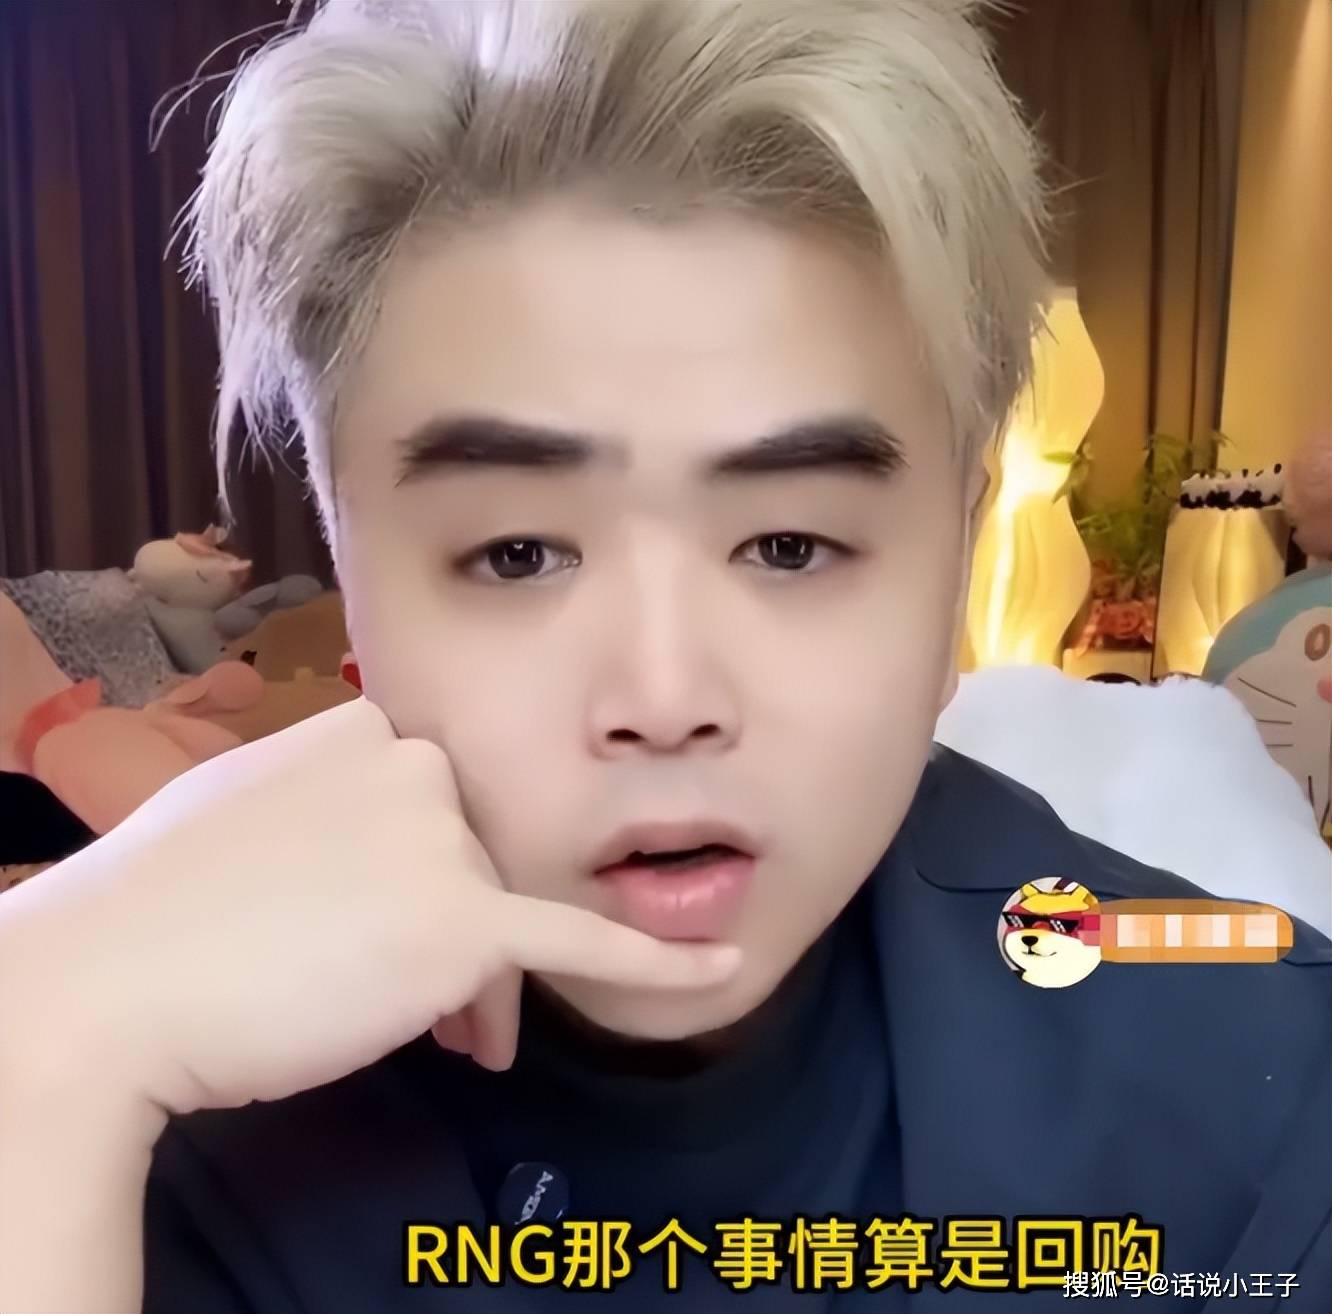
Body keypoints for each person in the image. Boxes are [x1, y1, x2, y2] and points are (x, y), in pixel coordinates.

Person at [0, 1, 1327, 1310]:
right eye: (518, 553)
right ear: (354, 577)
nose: (665, 699)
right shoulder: (136, 1118)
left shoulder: (1252, 1103)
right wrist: (42, 1043)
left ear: (958, 559)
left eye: (790, 546)